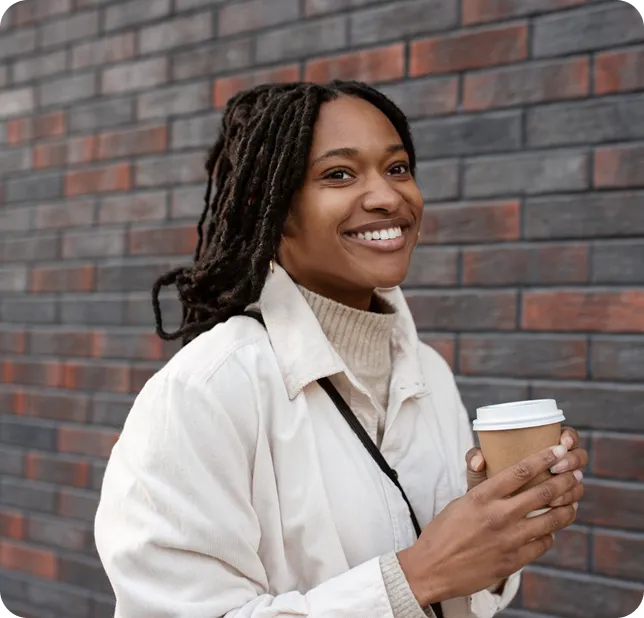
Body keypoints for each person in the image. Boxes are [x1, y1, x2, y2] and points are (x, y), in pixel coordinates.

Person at [94, 81, 587, 618]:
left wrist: (494, 530)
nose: (387, 196)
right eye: (339, 174)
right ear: (274, 207)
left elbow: (465, 593)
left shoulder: (428, 372)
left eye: (397, 168)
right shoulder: (205, 391)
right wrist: (415, 576)